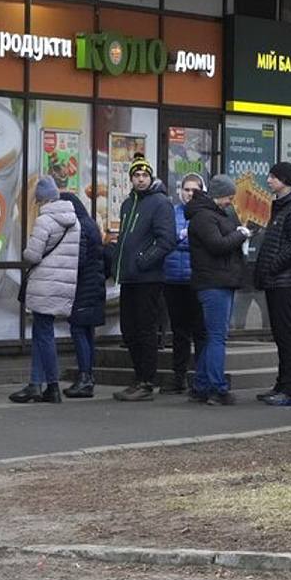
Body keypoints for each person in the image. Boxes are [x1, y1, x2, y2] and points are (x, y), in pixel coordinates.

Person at [108, 154, 176, 402]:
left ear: (151, 177)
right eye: (136, 176)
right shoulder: (128, 204)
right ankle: (138, 377)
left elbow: (167, 240)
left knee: (145, 330)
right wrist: (117, 262)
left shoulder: (160, 203)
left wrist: (143, 260)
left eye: (144, 175)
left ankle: (146, 381)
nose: (140, 179)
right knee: (129, 330)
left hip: (148, 278)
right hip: (129, 277)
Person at [10, 176, 80, 404]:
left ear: (41, 199)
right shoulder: (74, 221)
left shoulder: (45, 220)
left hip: (44, 284)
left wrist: (25, 252)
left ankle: (51, 385)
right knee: (43, 333)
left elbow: (33, 254)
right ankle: (36, 384)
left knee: (44, 335)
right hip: (63, 283)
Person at [186, 174, 251, 406]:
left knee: (213, 336)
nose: (229, 202)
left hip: (217, 281)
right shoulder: (205, 217)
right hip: (215, 283)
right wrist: (239, 235)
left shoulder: (208, 214)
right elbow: (217, 245)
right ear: (218, 195)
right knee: (216, 337)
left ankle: (202, 384)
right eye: (228, 197)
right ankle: (216, 387)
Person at [254, 161, 291, 407]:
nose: (268, 180)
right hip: (277, 280)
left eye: (273, 177)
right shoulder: (281, 205)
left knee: (287, 335)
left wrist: (272, 266)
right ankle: (282, 383)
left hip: (286, 281)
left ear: (285, 180)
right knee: (281, 334)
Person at [161, 173, 207, 395]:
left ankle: (200, 376)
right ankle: (179, 377)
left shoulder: (204, 214)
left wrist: (182, 239)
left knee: (199, 329)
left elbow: (201, 243)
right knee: (178, 331)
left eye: (194, 190)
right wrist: (182, 239)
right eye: (187, 189)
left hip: (195, 279)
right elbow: (167, 240)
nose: (190, 194)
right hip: (172, 278)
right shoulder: (172, 213)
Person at [61, 191, 105, 399]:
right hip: (94, 285)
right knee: (87, 332)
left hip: (83, 287)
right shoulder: (90, 223)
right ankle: (88, 376)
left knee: (79, 330)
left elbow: (77, 260)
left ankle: (85, 378)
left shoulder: (78, 228)